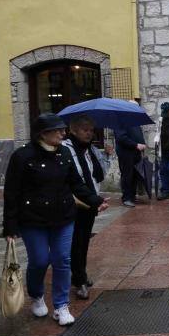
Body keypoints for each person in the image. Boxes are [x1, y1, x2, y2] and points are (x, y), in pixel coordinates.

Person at [3, 113, 109, 326]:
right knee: (40, 260)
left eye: (63, 129)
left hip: (63, 217)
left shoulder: (64, 154)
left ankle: (61, 305)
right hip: (32, 219)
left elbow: (76, 184)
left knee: (62, 260)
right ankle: (37, 294)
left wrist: (95, 200)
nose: (63, 133)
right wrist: (10, 226)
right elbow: (11, 193)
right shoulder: (22, 156)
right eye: (58, 130)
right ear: (44, 133)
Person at [61, 115, 108, 300]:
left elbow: (95, 174)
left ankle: (80, 274)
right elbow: (72, 178)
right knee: (75, 243)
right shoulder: (66, 149)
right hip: (74, 202)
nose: (89, 133)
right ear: (73, 130)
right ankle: (78, 279)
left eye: (91, 130)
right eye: (84, 130)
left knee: (83, 241)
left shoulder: (88, 150)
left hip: (88, 202)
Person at [113, 108, 146, 207]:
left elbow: (138, 135)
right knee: (127, 175)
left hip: (135, 153)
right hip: (126, 153)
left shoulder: (133, 120)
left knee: (135, 175)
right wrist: (136, 145)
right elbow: (121, 138)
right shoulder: (120, 120)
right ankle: (126, 198)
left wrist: (142, 145)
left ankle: (132, 196)